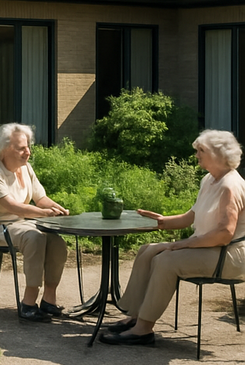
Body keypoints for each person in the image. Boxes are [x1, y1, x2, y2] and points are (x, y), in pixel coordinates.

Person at [100, 129, 245, 347]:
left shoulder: (230, 186)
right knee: (147, 250)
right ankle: (135, 315)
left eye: (201, 151)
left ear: (218, 153)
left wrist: (180, 245)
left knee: (166, 260)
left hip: (229, 255)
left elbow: (224, 234)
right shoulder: (210, 179)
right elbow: (191, 216)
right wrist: (162, 221)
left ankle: (143, 330)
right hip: (210, 249)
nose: (196, 155)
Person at [0, 123, 69, 322]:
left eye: (28, 147)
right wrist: (45, 214)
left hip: (21, 225)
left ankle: (49, 301)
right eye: (21, 148)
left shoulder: (25, 168)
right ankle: (28, 304)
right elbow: (14, 207)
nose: (28, 152)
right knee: (34, 238)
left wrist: (59, 210)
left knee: (57, 241)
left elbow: (41, 198)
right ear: (5, 148)